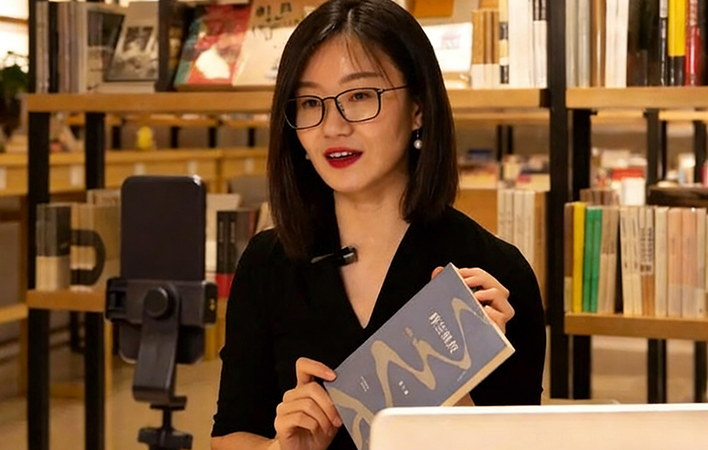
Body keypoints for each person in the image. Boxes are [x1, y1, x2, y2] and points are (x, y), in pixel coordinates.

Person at [211, 1, 546, 449]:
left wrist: (456, 390)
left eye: (360, 96)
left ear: (418, 108)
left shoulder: (491, 277)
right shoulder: (268, 262)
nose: (333, 126)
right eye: (310, 103)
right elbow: (230, 435)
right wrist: (281, 448)